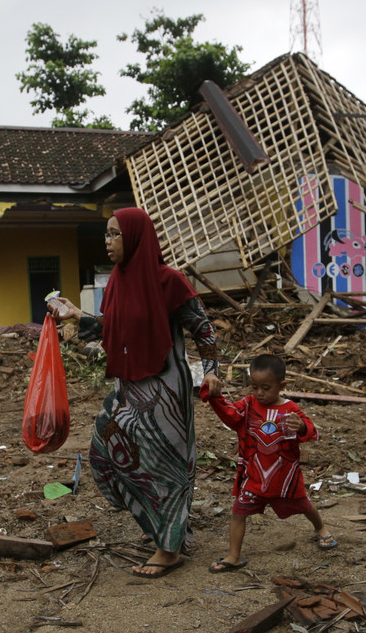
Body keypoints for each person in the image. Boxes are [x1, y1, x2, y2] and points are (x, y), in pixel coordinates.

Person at [50, 208, 222, 578]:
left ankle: (169, 548)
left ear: (135, 237)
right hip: (128, 388)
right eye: (106, 234)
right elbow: (110, 333)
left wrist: (211, 372)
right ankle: (163, 527)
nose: (107, 241)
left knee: (164, 467)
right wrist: (77, 316)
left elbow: (203, 328)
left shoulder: (168, 280)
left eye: (114, 234)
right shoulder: (116, 282)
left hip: (166, 391)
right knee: (107, 454)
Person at [202, 353, 335, 573]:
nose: (260, 393)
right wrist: (214, 397)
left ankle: (320, 527)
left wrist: (301, 427)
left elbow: (312, 432)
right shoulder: (248, 405)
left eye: (266, 387)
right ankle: (234, 555)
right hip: (254, 476)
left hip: (284, 478)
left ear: (281, 385)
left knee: (304, 504)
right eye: (255, 387)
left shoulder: (291, 409)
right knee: (239, 511)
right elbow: (231, 415)